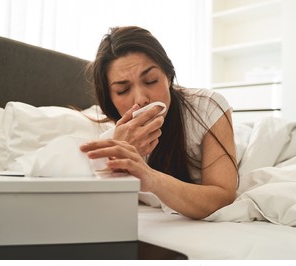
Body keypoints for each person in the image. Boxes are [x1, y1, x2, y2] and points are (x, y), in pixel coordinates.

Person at [80, 26, 238, 219]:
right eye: (122, 90)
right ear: (110, 100)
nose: (141, 99)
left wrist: (151, 178)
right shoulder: (106, 139)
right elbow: (97, 213)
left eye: (151, 80)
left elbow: (223, 196)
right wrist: (121, 162)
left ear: (168, 76)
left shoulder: (207, 107)